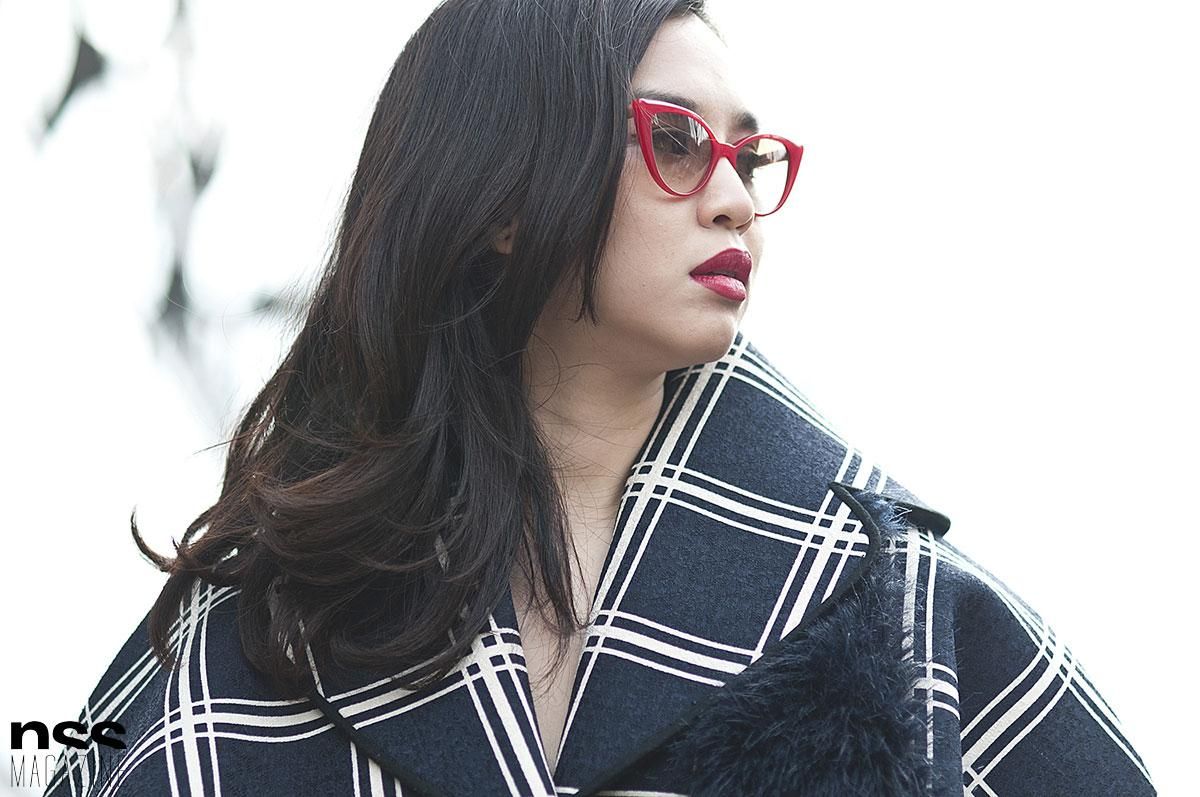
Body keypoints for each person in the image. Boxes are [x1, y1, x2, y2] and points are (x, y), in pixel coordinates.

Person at [43, 0, 1156, 794]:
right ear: (500, 193)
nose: (734, 199)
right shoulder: (256, 626)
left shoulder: (891, 602)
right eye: (675, 139)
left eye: (750, 157)